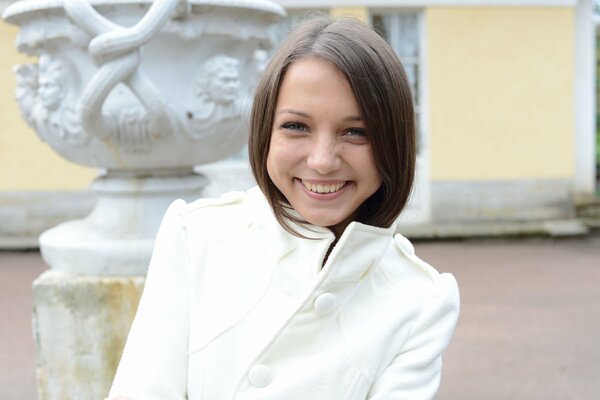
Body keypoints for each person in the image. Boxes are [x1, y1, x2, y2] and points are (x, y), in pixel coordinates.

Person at [107, 16, 459, 400]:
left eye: (356, 132)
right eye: (297, 126)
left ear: (394, 143)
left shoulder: (419, 300)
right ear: (264, 131)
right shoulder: (196, 237)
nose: (323, 161)